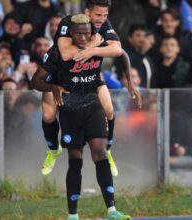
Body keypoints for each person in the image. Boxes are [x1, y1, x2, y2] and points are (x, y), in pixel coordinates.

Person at [31, 14, 131, 220]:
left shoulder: (97, 44)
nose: (84, 37)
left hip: (92, 104)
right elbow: (35, 80)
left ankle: (112, 211)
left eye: (87, 33)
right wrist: (53, 87)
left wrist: (130, 83)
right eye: (79, 33)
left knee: (99, 152)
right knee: (75, 160)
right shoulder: (58, 53)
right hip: (69, 108)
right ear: (71, 34)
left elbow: (122, 55)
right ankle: (73, 214)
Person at [40, 0, 141, 177]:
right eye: (98, 15)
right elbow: (64, 53)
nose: (102, 19)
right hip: (61, 78)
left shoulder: (104, 24)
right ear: (87, 12)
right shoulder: (67, 22)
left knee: (109, 109)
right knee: (48, 116)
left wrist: (92, 51)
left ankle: (108, 150)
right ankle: (53, 149)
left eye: (105, 15)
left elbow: (118, 51)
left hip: (89, 78)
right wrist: (95, 44)